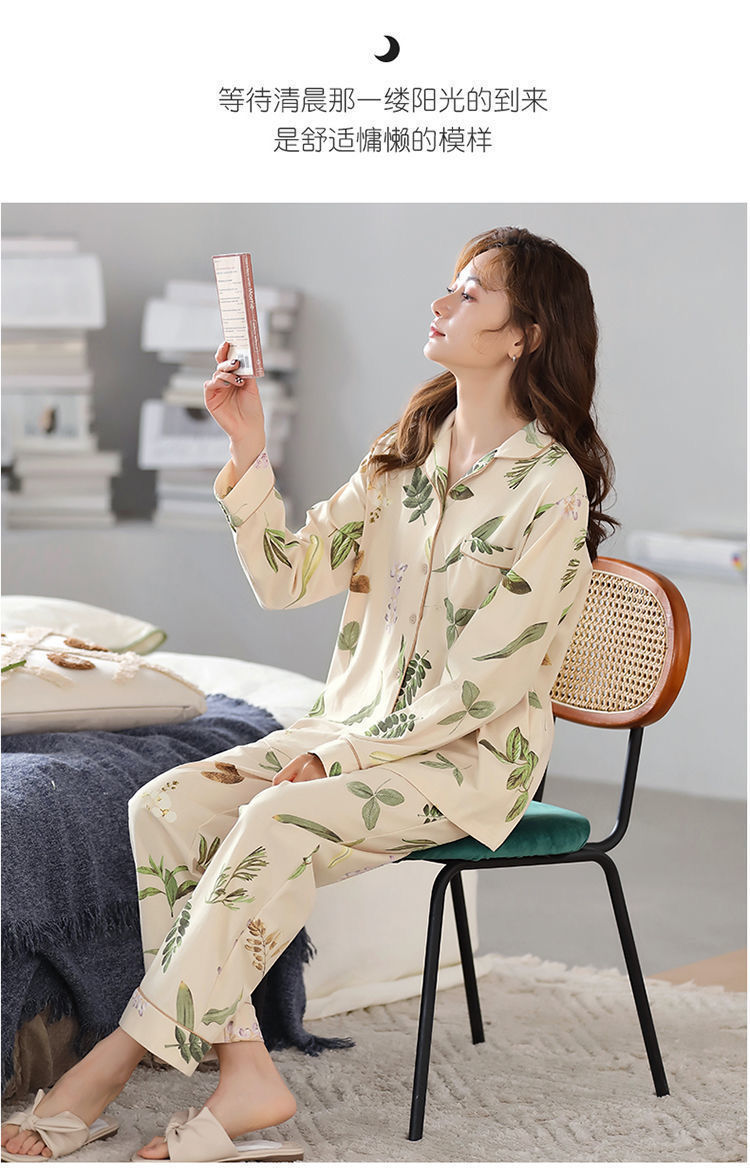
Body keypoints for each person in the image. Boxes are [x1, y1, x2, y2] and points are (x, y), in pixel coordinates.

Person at [1, 226, 617, 1162]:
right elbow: (288, 577)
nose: (441, 303)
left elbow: (485, 683)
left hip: (466, 759)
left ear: (525, 335)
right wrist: (247, 450)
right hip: (354, 730)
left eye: (469, 293)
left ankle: (109, 1063)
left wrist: (340, 755)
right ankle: (247, 1070)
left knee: (275, 817)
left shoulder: (550, 489)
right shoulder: (408, 451)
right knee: (164, 806)